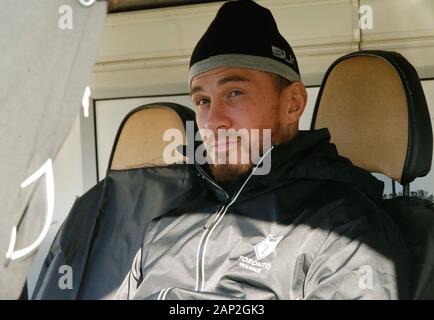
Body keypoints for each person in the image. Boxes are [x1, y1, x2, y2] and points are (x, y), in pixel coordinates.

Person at [116, 0, 409, 300]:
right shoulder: (165, 225)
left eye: (234, 93)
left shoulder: (343, 226)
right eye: (203, 101)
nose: (213, 121)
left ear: (292, 103)